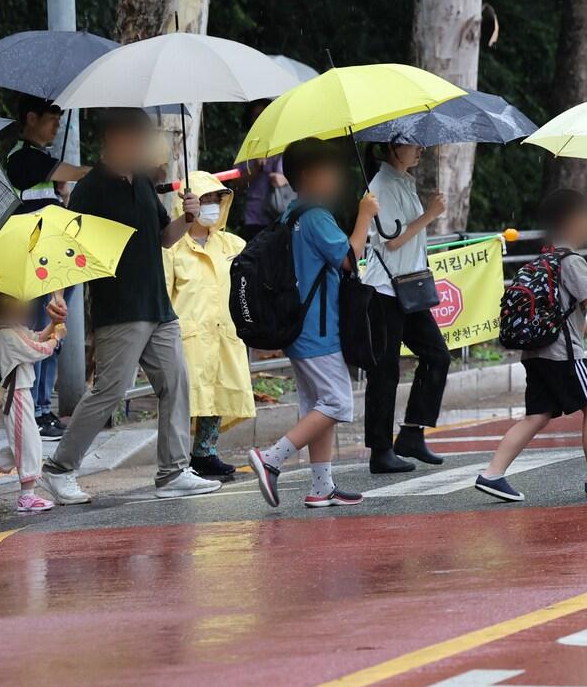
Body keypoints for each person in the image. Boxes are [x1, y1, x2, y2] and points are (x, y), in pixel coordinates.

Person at [39, 108, 221, 503]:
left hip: (158, 305)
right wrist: (56, 297)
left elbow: (164, 238)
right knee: (109, 391)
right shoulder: (91, 188)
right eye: (138, 137)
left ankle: (173, 472)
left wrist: (187, 219)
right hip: (119, 308)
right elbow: (67, 246)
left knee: (176, 382)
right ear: (114, 138)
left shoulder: (141, 181)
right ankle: (59, 469)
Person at [473, 189, 587, 502]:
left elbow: (562, 310)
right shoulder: (572, 261)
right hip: (563, 355)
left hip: (537, 351)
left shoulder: (545, 257)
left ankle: (492, 473)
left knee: (537, 415)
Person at [247, 138, 378, 508]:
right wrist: (365, 215)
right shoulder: (317, 216)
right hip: (319, 328)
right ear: (309, 175)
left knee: (316, 406)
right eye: (329, 170)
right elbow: (350, 259)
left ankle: (322, 486)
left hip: (299, 327)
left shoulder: (292, 213)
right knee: (336, 403)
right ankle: (271, 458)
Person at [362, 139, 451, 474]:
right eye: (412, 144)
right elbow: (392, 239)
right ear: (391, 148)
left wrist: (428, 212)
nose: (420, 149)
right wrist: (430, 214)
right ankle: (380, 450)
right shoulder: (382, 185)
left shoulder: (403, 182)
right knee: (384, 372)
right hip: (384, 290)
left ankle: (412, 432)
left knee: (437, 355)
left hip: (408, 287)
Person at [6, 95, 91, 440]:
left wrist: (63, 195)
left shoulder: (40, 159)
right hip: (35, 257)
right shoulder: (23, 156)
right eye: (52, 117)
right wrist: (106, 172)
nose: (58, 124)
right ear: (31, 118)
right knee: (39, 333)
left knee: (53, 333)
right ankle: (34, 409)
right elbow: (75, 172)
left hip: (53, 254)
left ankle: (42, 407)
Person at [163, 171, 256, 480]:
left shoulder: (232, 244)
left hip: (224, 330)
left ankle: (205, 452)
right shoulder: (172, 248)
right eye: (205, 200)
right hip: (188, 333)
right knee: (185, 398)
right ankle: (176, 461)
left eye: (217, 199)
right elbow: (164, 293)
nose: (213, 205)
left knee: (216, 393)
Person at [0, 292, 65, 513]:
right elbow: (38, 350)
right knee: (29, 444)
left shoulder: (12, 328)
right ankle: (27, 496)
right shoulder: (6, 334)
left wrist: (54, 326)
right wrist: (55, 338)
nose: (26, 307)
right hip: (14, 396)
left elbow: (36, 337)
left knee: (18, 444)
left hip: (20, 393)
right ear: (8, 307)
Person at [240, 99, 292, 239]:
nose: (260, 120)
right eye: (256, 116)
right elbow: (237, 183)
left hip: (282, 213)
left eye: (263, 115)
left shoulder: (285, 142)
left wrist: (285, 179)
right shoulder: (248, 145)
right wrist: (255, 168)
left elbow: (302, 175)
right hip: (255, 215)